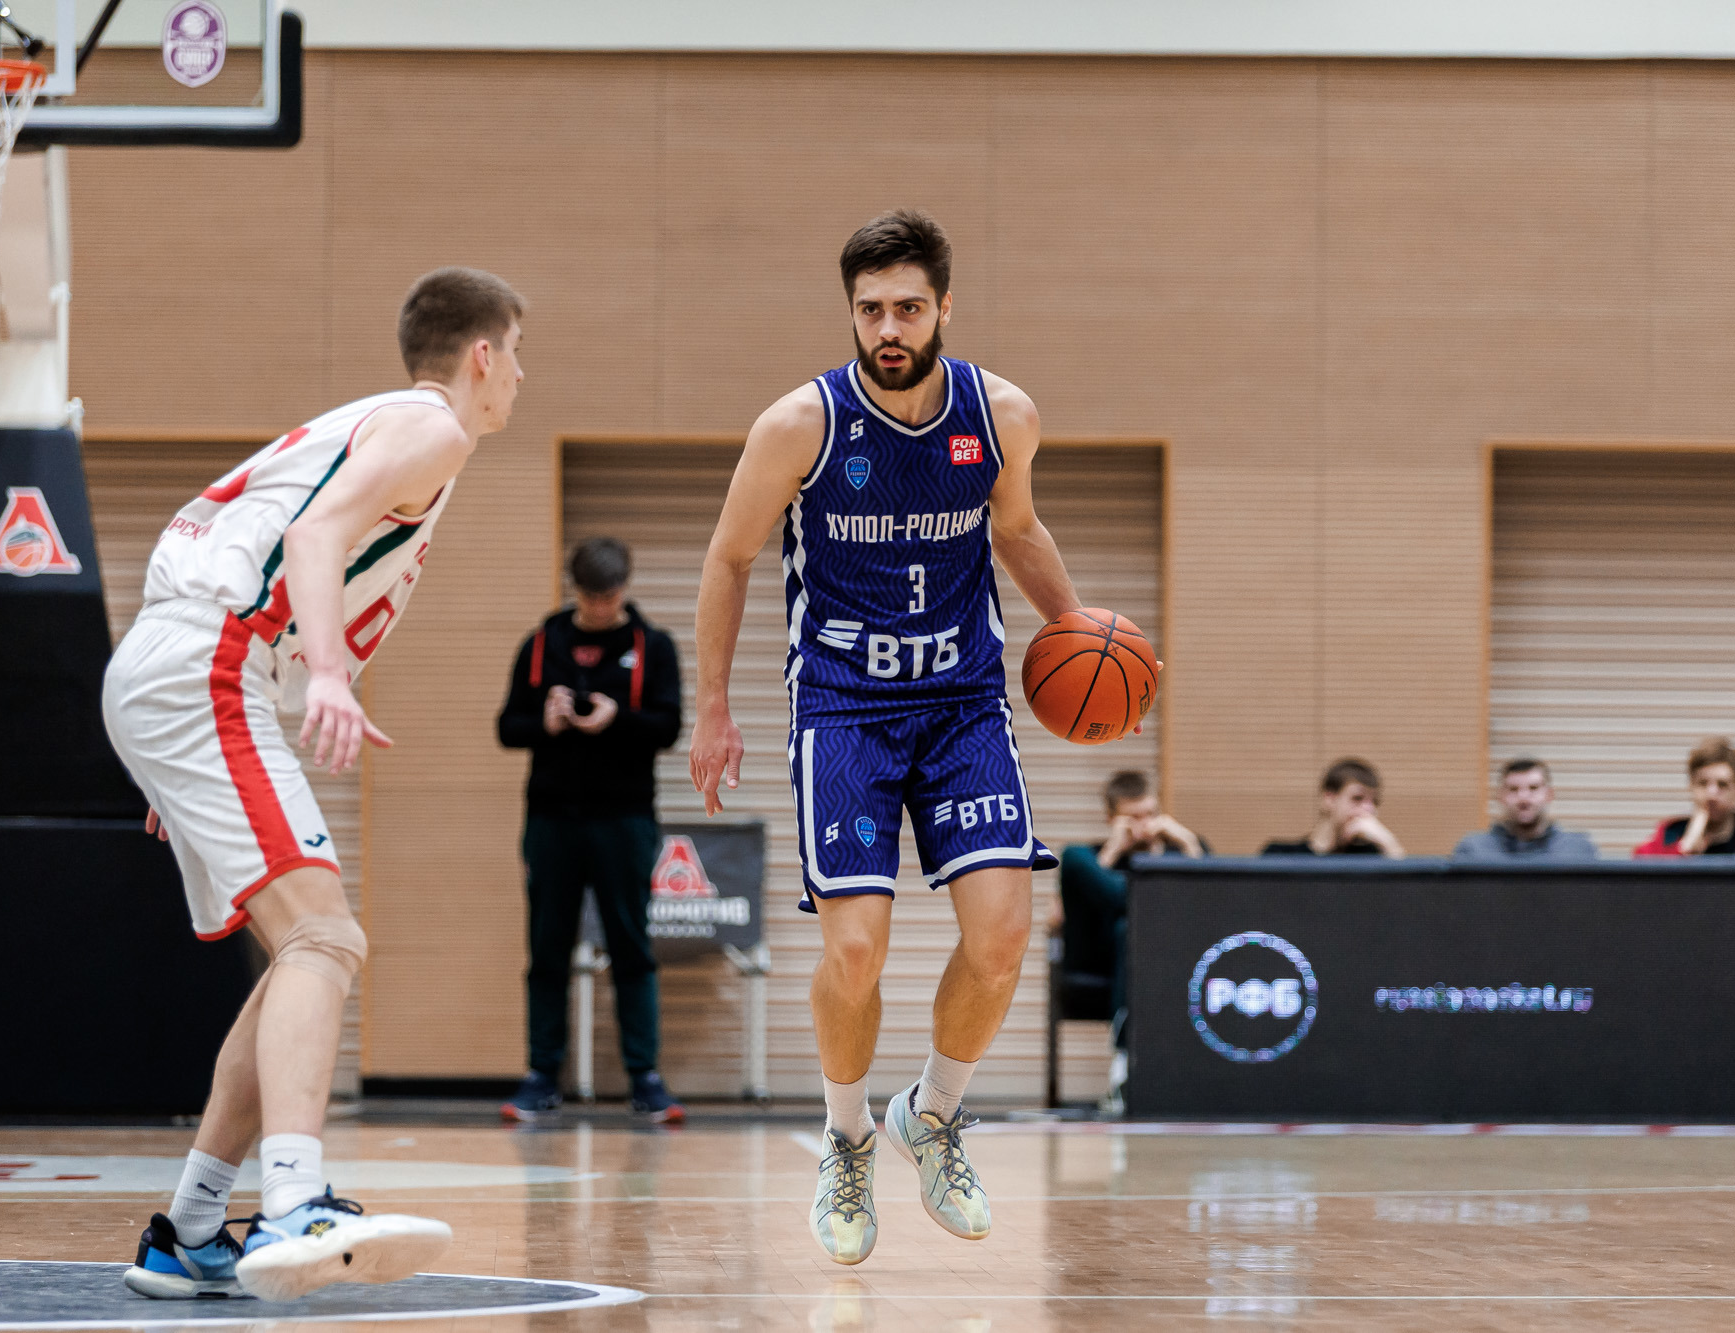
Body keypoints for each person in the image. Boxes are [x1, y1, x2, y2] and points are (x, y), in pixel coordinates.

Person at [101, 268, 525, 1302]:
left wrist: (178, 755)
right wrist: (329, 673)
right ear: (482, 355)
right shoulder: (432, 427)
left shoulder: (378, 426)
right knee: (326, 939)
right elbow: (314, 534)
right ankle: (294, 1200)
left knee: (305, 947)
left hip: (190, 671)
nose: (521, 375)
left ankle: (190, 1228)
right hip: (209, 665)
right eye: (518, 353)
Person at [690, 209, 1097, 1266]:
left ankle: (933, 1112)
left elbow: (1015, 528)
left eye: (908, 307)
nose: (887, 328)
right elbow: (729, 556)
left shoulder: (1000, 415)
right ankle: (846, 1136)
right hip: (843, 707)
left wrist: (1082, 633)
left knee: (1002, 936)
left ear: (944, 306)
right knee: (856, 948)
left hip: (962, 701)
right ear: (850, 313)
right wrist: (712, 706)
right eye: (869, 309)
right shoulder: (800, 425)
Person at [496, 537, 686, 1123]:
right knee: (547, 949)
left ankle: (645, 1077)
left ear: (624, 588)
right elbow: (507, 728)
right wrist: (545, 722)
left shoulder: (652, 647)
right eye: (590, 596)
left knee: (631, 946)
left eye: (609, 596)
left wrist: (616, 717)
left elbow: (669, 726)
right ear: (574, 589)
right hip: (551, 819)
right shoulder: (541, 645)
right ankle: (541, 1075)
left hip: (625, 819)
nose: (601, 607)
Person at [1053, 770, 1206, 1111]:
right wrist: (1112, 851)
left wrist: (1188, 843)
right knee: (1129, 926)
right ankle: (1123, 1071)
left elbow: (1212, 899)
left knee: (1138, 929)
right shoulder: (1081, 859)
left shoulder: (1184, 854)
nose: (1144, 825)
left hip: (1173, 961)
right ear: (1111, 818)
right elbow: (1113, 898)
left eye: (1150, 814)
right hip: (1098, 960)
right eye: (1133, 817)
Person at [1635, 737, 1735, 857]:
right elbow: (1641, 867)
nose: (1711, 794)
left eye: (1722, 784)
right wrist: (1683, 851)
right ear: (1691, 785)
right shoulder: (1666, 838)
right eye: (1703, 783)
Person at [1452, 758, 1599, 860]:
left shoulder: (1577, 850)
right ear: (1500, 796)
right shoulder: (1474, 851)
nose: (1523, 798)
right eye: (1513, 789)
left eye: (1533, 788)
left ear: (1549, 795)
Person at [1261, 758, 1406, 857]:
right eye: (1357, 798)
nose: (1370, 810)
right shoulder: (1280, 855)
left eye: (1374, 802)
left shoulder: (1370, 857)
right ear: (1329, 799)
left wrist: (1389, 843)